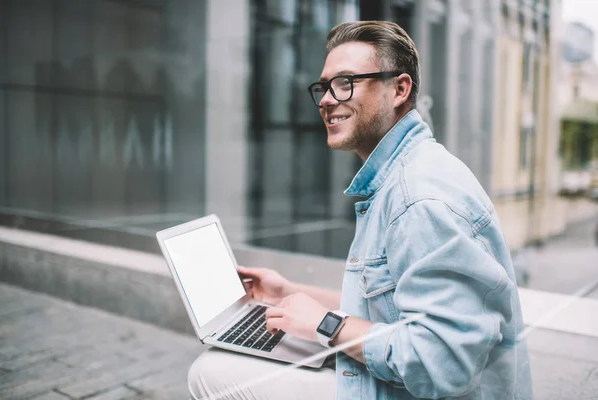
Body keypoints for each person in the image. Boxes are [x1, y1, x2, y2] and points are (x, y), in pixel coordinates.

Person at [188, 20, 532, 400]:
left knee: (211, 373)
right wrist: (291, 292)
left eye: (346, 82)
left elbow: (442, 366)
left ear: (399, 89)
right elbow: (393, 310)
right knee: (235, 356)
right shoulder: (401, 174)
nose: (326, 99)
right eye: (323, 86)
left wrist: (325, 323)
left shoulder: (419, 198)